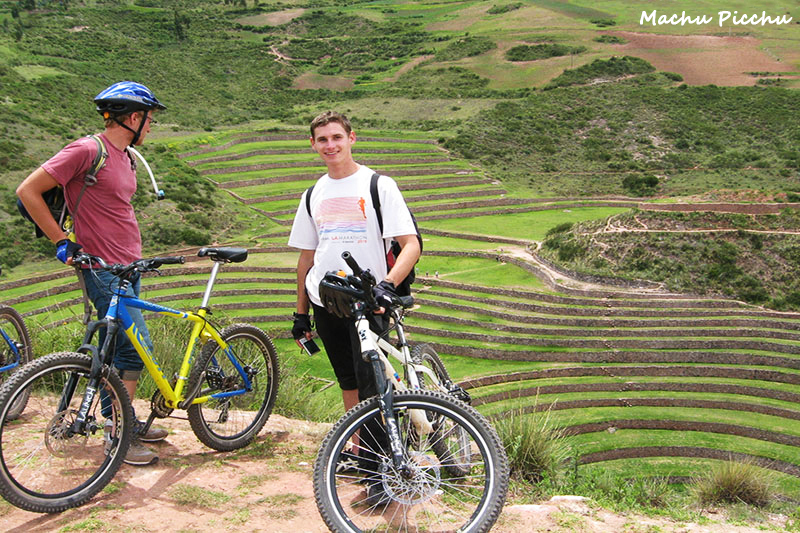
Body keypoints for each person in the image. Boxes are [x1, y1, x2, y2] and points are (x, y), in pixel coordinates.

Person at [16, 81, 168, 466]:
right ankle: (120, 436)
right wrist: (62, 241)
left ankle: (120, 418)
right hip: (100, 266)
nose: (151, 126)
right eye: (149, 119)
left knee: (117, 348)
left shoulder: (127, 156)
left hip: (128, 265)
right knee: (135, 348)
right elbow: (28, 191)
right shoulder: (88, 150)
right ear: (133, 117)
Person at [288, 111, 421, 503]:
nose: (330, 145)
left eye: (336, 137)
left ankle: (382, 473)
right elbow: (306, 258)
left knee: (372, 383)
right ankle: (363, 454)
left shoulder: (379, 185)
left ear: (351, 138)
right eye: (322, 140)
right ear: (313, 145)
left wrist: (386, 286)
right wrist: (300, 313)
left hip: (369, 299)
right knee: (348, 380)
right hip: (325, 300)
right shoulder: (313, 194)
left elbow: (409, 244)